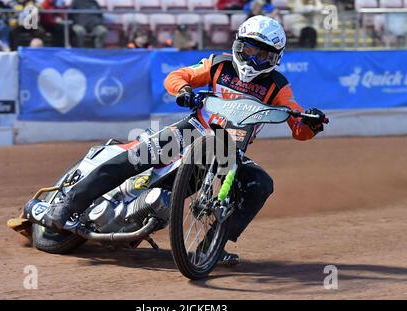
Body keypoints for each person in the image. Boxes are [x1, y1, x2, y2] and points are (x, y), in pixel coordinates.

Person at [43, 15, 327, 266]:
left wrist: (311, 123)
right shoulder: (218, 64)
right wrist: (184, 90)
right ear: (238, 45)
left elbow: (298, 125)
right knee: (134, 158)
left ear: (276, 58)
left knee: (260, 185)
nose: (253, 59)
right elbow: (178, 76)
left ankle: (211, 248)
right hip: (192, 130)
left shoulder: (278, 85)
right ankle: (67, 204)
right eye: (249, 50)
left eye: (263, 55)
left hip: (229, 151)